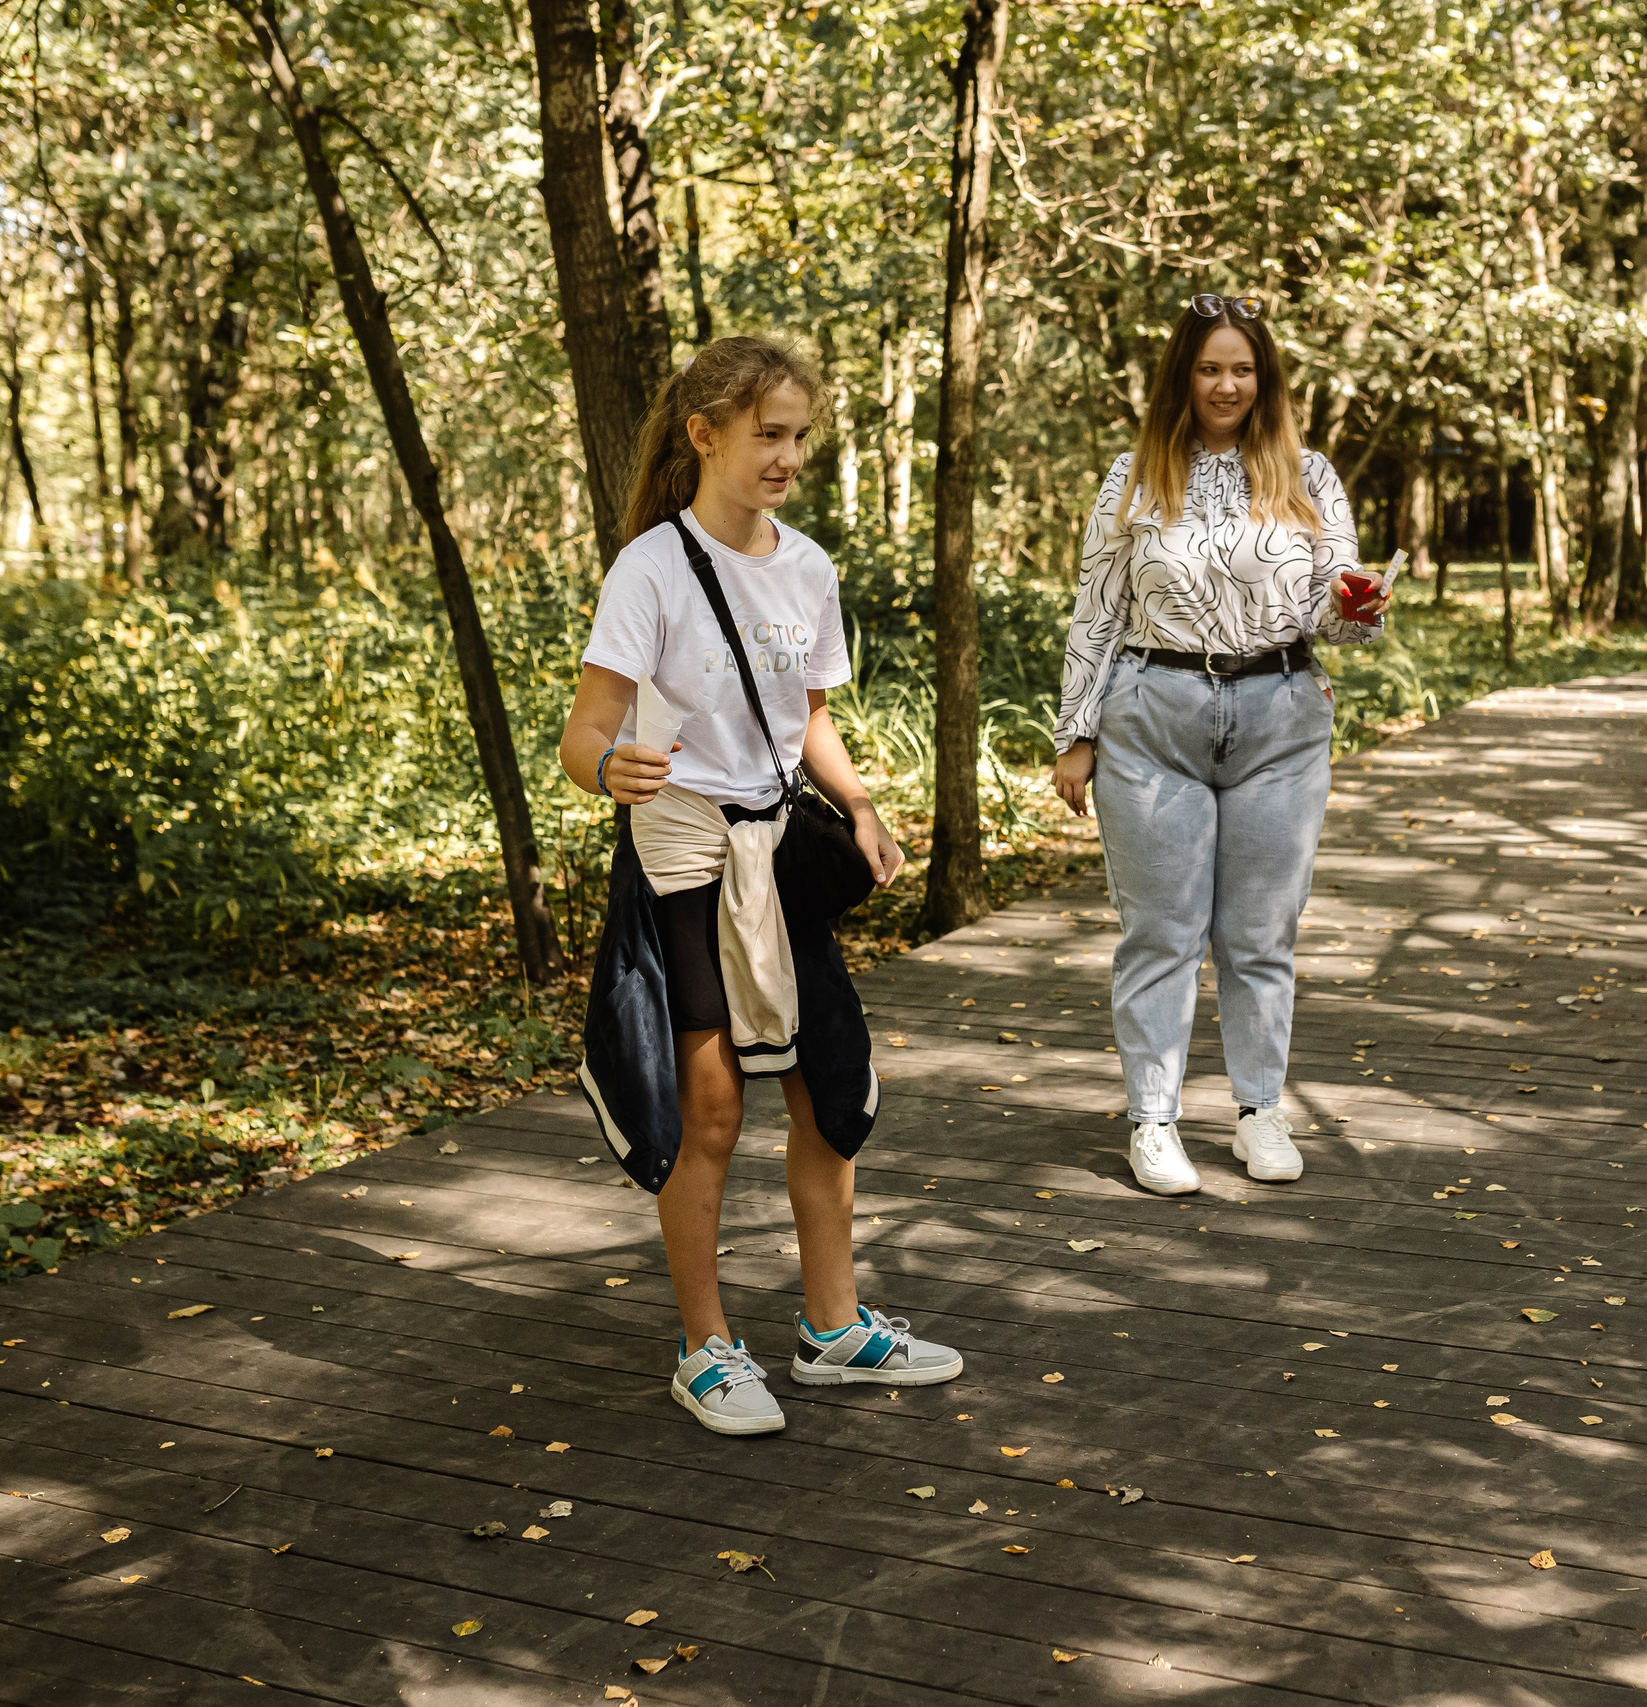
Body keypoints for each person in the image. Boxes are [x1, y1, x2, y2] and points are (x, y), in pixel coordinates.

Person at [559, 335, 961, 1435]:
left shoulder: (810, 567)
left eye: (799, 437)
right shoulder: (650, 567)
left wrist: (864, 806)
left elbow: (808, 720)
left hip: (777, 852)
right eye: (767, 435)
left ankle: (833, 1332)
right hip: (685, 856)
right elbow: (586, 728)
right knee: (713, 1107)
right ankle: (706, 1350)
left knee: (829, 1096)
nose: (787, 457)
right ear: (704, 437)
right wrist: (609, 766)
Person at [1048, 292, 1388, 1196]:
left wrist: (1360, 608)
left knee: (1260, 933)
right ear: (1183, 378)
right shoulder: (1133, 476)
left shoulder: (1310, 477)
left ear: (1263, 377)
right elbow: (1097, 611)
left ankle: (1258, 1111)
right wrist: (1074, 733)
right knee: (1160, 932)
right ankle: (1153, 1121)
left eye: (1242, 368)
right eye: (1209, 368)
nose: (1226, 384)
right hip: (1153, 713)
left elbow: (1338, 614)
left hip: (1280, 713)